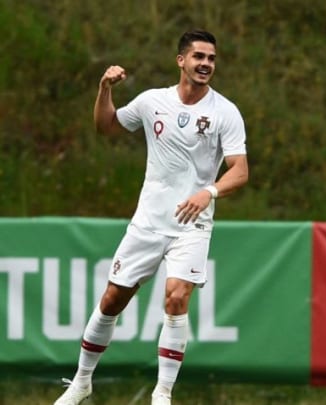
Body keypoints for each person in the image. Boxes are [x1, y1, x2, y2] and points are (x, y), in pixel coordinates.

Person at [54, 29, 249, 405]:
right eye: (199, 57)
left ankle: (162, 394)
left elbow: (240, 170)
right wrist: (104, 89)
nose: (206, 64)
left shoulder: (225, 111)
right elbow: (106, 126)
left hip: (193, 223)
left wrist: (207, 192)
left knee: (176, 298)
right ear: (181, 61)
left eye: (211, 58)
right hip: (149, 221)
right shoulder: (152, 102)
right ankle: (81, 382)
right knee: (112, 299)